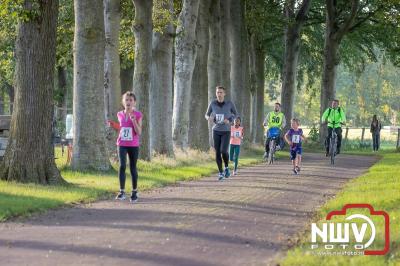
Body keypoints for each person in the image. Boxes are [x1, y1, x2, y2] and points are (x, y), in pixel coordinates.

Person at [108, 91, 142, 202]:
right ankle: (122, 192)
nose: (128, 102)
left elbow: (139, 131)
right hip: (121, 143)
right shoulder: (119, 114)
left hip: (133, 145)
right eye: (126, 100)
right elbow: (122, 127)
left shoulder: (138, 115)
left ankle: (134, 192)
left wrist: (134, 121)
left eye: (131, 100)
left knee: (132, 167)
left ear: (134, 103)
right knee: (122, 166)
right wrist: (114, 125)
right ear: (123, 102)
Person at [205, 86, 238, 180]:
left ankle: (226, 167)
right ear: (216, 93)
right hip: (215, 130)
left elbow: (236, 114)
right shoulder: (212, 103)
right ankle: (220, 173)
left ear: (224, 94)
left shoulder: (229, 103)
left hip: (226, 131)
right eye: (217, 92)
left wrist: (230, 120)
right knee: (217, 152)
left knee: (224, 151)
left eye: (221, 92)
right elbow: (206, 114)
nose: (219, 94)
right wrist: (209, 118)